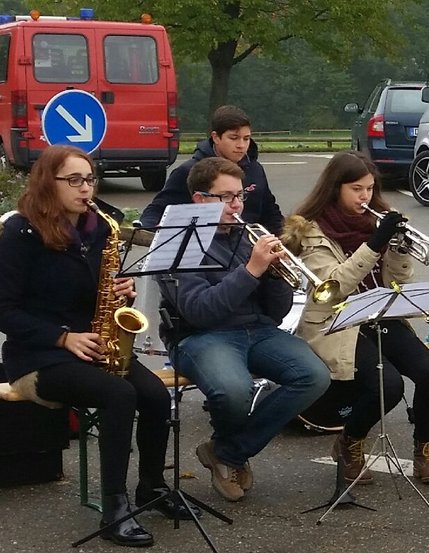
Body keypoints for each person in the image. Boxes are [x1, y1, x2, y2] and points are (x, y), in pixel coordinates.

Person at [0, 146, 196, 547]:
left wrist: (122, 293)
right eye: (73, 180)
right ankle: (115, 508)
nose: (85, 188)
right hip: (38, 356)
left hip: (94, 344)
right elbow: (5, 311)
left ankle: (152, 487)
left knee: (157, 397)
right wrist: (62, 337)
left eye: (89, 179)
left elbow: (101, 295)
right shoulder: (20, 233)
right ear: (46, 182)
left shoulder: (99, 229)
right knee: (119, 395)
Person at [157, 157, 330, 501]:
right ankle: (230, 453)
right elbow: (201, 311)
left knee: (315, 376)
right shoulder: (179, 242)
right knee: (235, 390)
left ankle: (227, 451)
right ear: (199, 199)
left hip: (258, 330)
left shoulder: (249, 235)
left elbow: (278, 313)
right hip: (199, 336)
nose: (236, 205)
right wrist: (251, 270)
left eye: (239, 196)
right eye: (225, 197)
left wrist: (276, 274)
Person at [280, 151, 429, 485]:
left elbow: (399, 282)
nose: (365, 196)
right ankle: (350, 443)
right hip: (338, 321)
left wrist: (398, 248)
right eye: (356, 189)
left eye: (370, 188)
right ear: (335, 188)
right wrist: (376, 242)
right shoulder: (310, 231)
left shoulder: (376, 221)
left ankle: (426, 448)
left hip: (379, 312)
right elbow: (337, 285)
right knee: (388, 385)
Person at [141, 105, 284, 233]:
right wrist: (145, 231)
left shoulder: (255, 169)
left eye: (246, 138)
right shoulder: (189, 171)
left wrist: (286, 240)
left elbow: (270, 212)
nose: (241, 145)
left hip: (248, 246)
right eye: (234, 138)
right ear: (216, 137)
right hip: (210, 249)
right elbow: (158, 210)